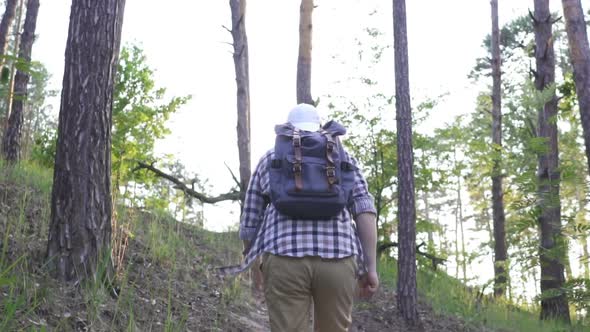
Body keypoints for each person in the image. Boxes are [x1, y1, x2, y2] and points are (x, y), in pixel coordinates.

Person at [220, 103, 379, 332]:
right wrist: (370, 267)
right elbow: (365, 211)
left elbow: (250, 219)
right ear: (318, 127)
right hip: (339, 258)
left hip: (284, 258)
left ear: (288, 128)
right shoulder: (344, 157)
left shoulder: (271, 158)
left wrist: (253, 262)